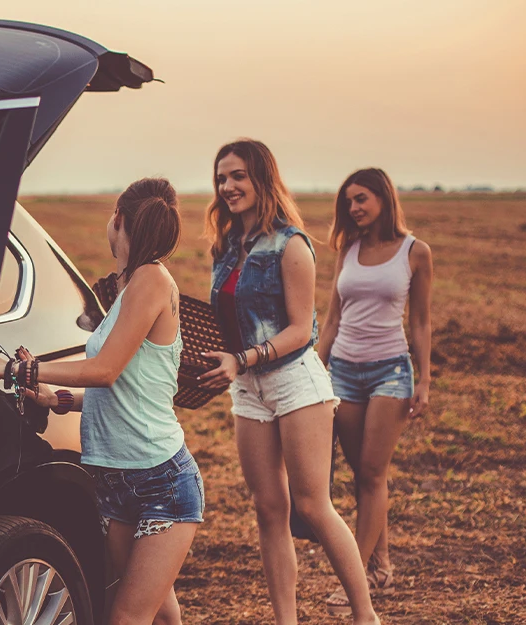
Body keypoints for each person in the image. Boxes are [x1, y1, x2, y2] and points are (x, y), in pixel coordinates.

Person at [0, 178, 200, 625]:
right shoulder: (132, 285)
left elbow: (105, 372)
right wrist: (54, 396)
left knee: (124, 616)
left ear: (118, 218)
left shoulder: (152, 280)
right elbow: (127, 389)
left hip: (161, 482)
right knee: (160, 613)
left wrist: (17, 369)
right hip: (118, 482)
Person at [196, 140, 380, 624]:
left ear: (261, 178)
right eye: (221, 179)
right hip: (249, 388)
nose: (228, 187)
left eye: (237, 176)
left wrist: (245, 356)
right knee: (268, 509)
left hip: (295, 382)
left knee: (313, 505)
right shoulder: (226, 247)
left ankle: (366, 616)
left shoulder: (291, 244)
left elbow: (301, 330)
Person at [316, 168, 433, 613]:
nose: (354, 208)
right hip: (344, 371)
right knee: (359, 475)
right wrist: (316, 371)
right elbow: (331, 320)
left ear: (384, 197)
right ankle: (380, 565)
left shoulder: (415, 251)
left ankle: (357, 580)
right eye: (348, 201)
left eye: (361, 198)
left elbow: (420, 321)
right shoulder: (348, 249)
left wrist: (423, 378)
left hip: (390, 373)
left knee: (371, 473)